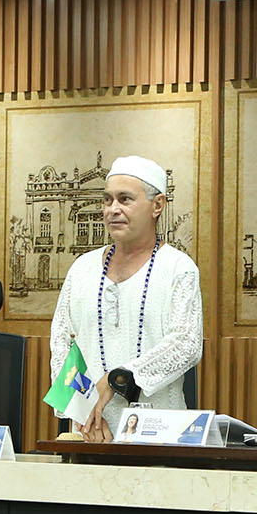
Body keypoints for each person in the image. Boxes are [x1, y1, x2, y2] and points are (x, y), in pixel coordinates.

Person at [48, 155, 203, 441]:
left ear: (157, 205)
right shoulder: (82, 268)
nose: (113, 210)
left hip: (157, 435)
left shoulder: (178, 268)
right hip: (89, 432)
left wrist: (117, 379)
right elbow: (61, 345)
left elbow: (186, 344)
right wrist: (82, 413)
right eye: (107, 200)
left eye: (125, 199)